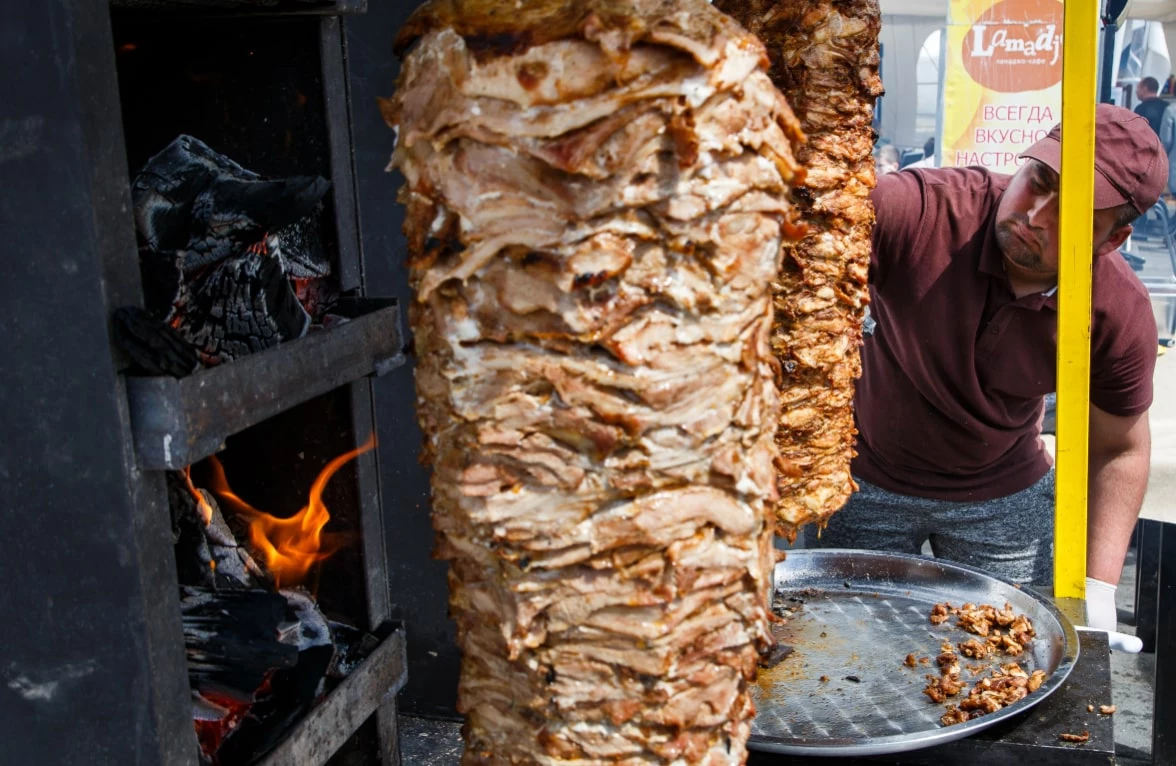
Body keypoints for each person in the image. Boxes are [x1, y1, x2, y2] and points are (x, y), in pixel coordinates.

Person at [813, 105, 1168, 636]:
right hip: (866, 477)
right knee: (840, 645)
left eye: (1074, 214)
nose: (1035, 214)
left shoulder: (1116, 309)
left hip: (1001, 493)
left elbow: (1120, 446)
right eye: (1038, 180)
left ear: (1112, 239)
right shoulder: (920, 210)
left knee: (999, 658)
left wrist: (1098, 589)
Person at [1134, 77, 1176, 195]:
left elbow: (1166, 140)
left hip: (1149, 157)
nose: (1136, 92)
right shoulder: (1165, 106)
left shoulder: (1140, 109)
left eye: (1138, 89)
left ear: (1145, 88)